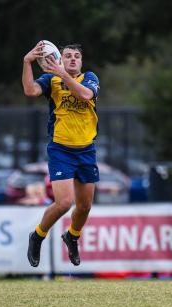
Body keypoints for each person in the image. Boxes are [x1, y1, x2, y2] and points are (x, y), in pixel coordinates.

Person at [22, 41, 100, 267]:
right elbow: (29, 91)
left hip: (86, 149)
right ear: (59, 58)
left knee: (85, 206)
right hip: (61, 149)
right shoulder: (50, 80)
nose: (73, 58)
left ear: (81, 62)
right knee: (64, 202)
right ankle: (38, 235)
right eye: (68, 56)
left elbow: (86, 96)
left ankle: (72, 236)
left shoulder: (90, 78)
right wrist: (27, 62)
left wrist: (64, 74)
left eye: (77, 56)